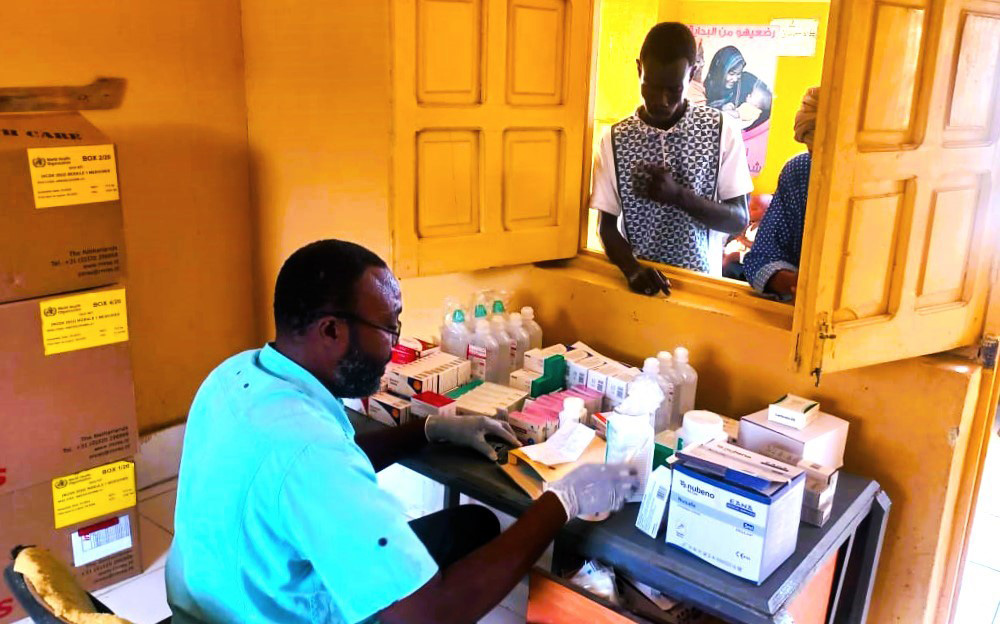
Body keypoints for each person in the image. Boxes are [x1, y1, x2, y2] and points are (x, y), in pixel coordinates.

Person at [165, 239, 640, 624]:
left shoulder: (238, 375)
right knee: (437, 590)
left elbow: (306, 470)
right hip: (268, 613)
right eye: (389, 330)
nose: (394, 349)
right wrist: (562, 503)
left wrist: (428, 430)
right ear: (331, 330)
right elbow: (431, 615)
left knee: (473, 526)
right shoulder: (311, 454)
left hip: (217, 595)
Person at [592, 22, 753, 295]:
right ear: (639, 69)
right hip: (639, 287)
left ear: (693, 73)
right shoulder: (614, 139)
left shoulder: (722, 129)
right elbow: (606, 227)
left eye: (673, 90)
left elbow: (738, 219)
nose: (661, 100)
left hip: (701, 288)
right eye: (651, 87)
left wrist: (678, 195)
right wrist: (632, 269)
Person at [743, 87, 820, 298]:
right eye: (811, 151)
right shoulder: (800, 172)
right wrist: (794, 283)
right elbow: (760, 258)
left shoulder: (894, 191)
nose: (817, 161)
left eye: (823, 152)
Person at [703, 46, 773, 132]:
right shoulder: (708, 89)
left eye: (738, 74)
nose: (735, 79)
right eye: (732, 74)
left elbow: (769, 102)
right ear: (720, 71)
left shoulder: (747, 80)